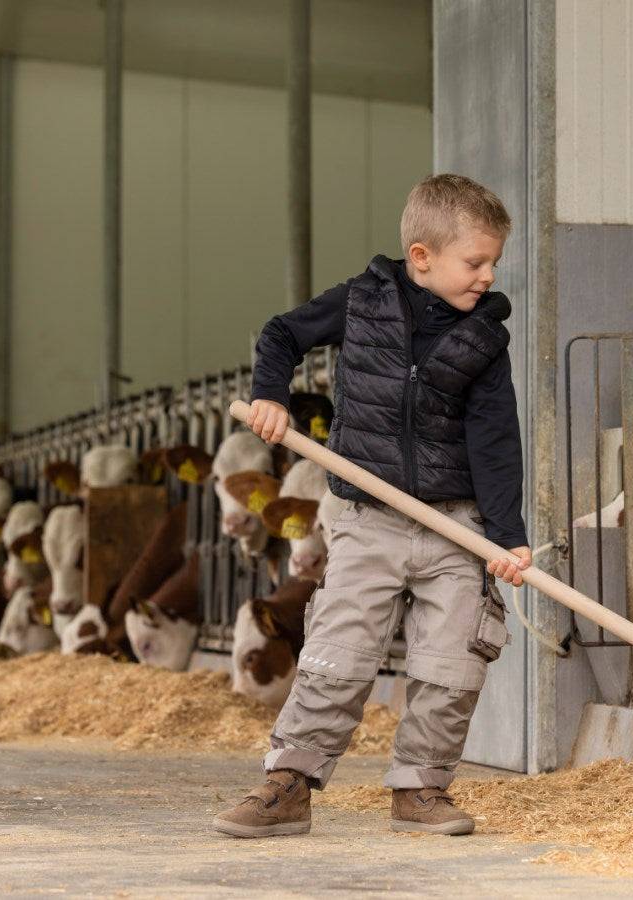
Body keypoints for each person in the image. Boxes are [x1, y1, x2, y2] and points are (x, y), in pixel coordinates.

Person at [213, 173, 530, 838]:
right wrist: (271, 395)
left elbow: (495, 441)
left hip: (456, 524)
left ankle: (421, 789)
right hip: (367, 518)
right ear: (423, 258)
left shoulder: (484, 341)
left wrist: (506, 535)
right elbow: (281, 333)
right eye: (476, 261)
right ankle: (287, 784)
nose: (487, 275)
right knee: (338, 651)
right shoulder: (362, 303)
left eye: (492, 262)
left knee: (452, 664)